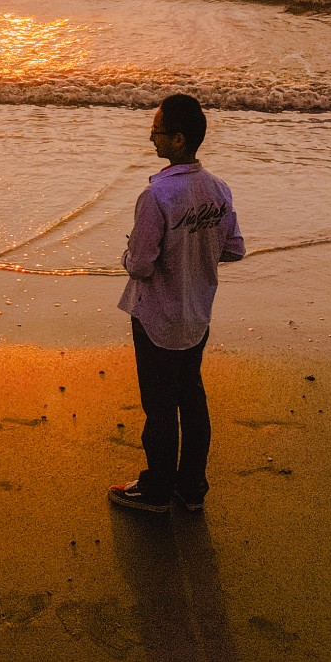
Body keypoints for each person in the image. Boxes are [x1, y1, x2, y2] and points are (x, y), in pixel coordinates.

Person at [110, 93, 244, 514]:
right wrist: (196, 249)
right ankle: (192, 486)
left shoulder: (157, 196)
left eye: (158, 130)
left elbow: (143, 265)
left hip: (157, 318)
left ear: (179, 140)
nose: (152, 136)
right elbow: (234, 249)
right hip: (197, 314)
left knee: (160, 406)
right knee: (192, 397)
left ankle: (157, 489)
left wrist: (127, 255)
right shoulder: (217, 190)